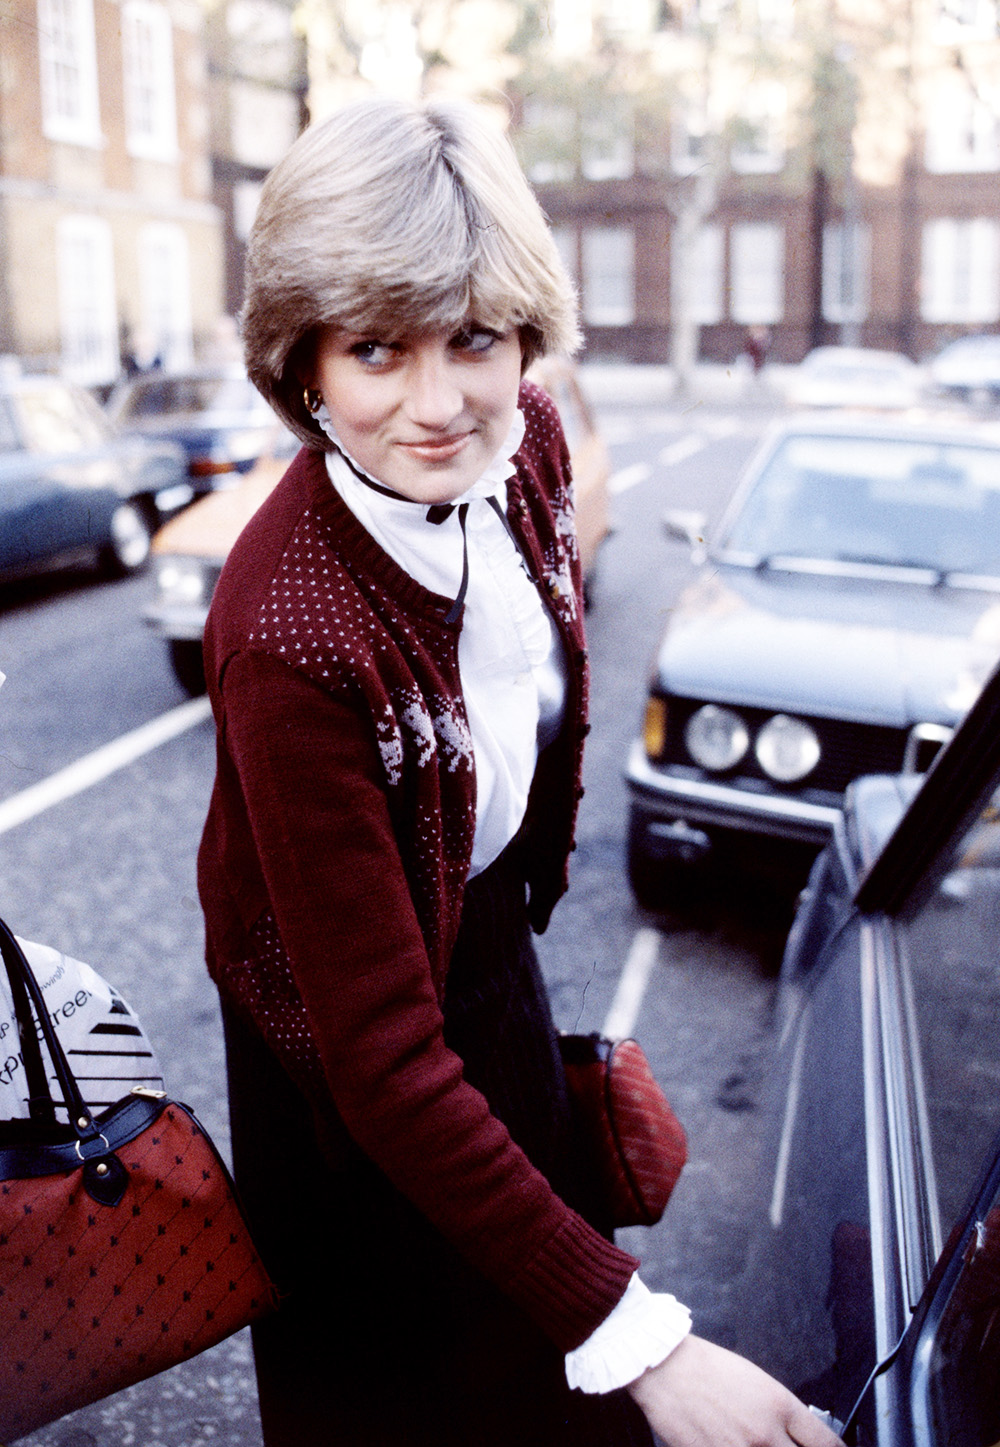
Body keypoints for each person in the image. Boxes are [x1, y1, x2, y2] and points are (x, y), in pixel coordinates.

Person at [197, 93, 842, 1447]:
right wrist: (646, 1343)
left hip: (483, 957)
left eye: (474, 339)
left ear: (523, 331)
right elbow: (378, 1060)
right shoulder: (289, 627)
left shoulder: (527, 439)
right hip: (346, 1079)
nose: (438, 405)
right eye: (376, 350)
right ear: (303, 360)